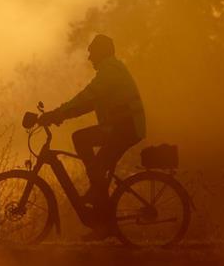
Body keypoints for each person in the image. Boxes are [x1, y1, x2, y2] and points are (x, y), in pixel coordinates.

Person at [38, 34, 146, 238]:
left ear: (101, 52)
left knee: (82, 141)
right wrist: (61, 115)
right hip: (122, 128)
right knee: (98, 173)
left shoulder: (110, 71)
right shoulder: (111, 69)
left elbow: (87, 96)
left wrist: (57, 114)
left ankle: (102, 218)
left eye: (91, 53)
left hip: (125, 128)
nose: (89, 58)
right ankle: (101, 215)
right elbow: (87, 104)